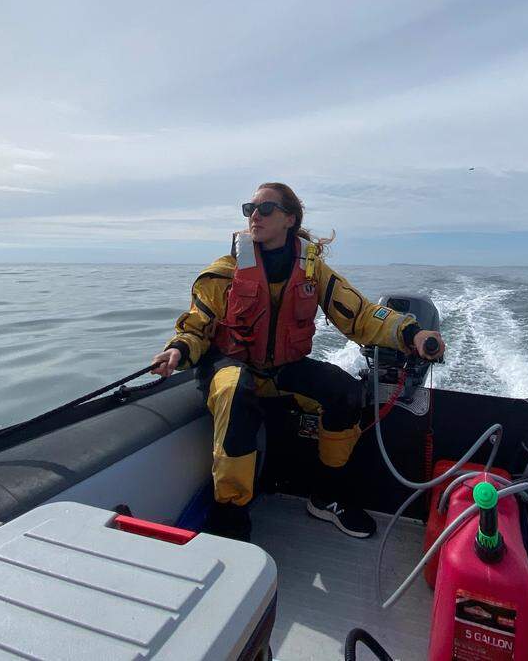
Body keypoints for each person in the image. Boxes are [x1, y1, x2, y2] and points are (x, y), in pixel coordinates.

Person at [150, 182, 444, 541]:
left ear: (290, 218)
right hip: (229, 366)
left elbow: (362, 316)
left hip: (281, 370)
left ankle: (326, 496)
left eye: (266, 208)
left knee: (344, 391)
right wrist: (177, 350)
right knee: (234, 389)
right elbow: (196, 326)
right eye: (249, 209)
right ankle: (230, 516)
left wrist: (411, 333)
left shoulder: (312, 271)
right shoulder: (224, 273)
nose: (254, 216)